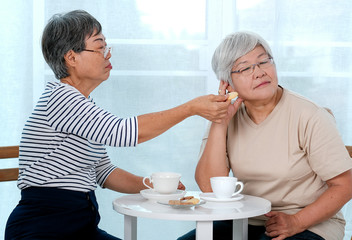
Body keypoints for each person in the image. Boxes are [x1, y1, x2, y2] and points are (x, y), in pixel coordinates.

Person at [4, 10, 232, 240]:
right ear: (71, 58)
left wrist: (152, 186)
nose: (108, 55)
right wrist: (190, 108)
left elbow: (104, 171)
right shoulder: (61, 99)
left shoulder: (82, 104)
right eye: (100, 47)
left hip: (79, 228)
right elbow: (122, 132)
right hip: (42, 228)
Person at [178, 31, 352, 240]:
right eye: (244, 68)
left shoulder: (310, 115)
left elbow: (345, 184)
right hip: (245, 219)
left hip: (308, 222)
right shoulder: (225, 117)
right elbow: (209, 188)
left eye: (263, 62)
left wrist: (296, 221)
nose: (259, 72)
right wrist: (220, 124)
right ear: (227, 84)